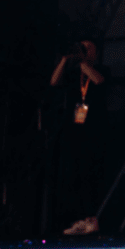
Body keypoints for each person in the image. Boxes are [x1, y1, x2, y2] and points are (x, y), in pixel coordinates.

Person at [50, 40, 106, 236]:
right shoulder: (72, 72)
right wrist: (65, 60)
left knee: (88, 174)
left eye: (87, 47)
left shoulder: (100, 69)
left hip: (92, 129)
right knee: (71, 175)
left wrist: (84, 62)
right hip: (72, 128)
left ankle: (91, 219)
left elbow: (99, 81)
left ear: (95, 53)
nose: (82, 50)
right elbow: (54, 82)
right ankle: (77, 220)